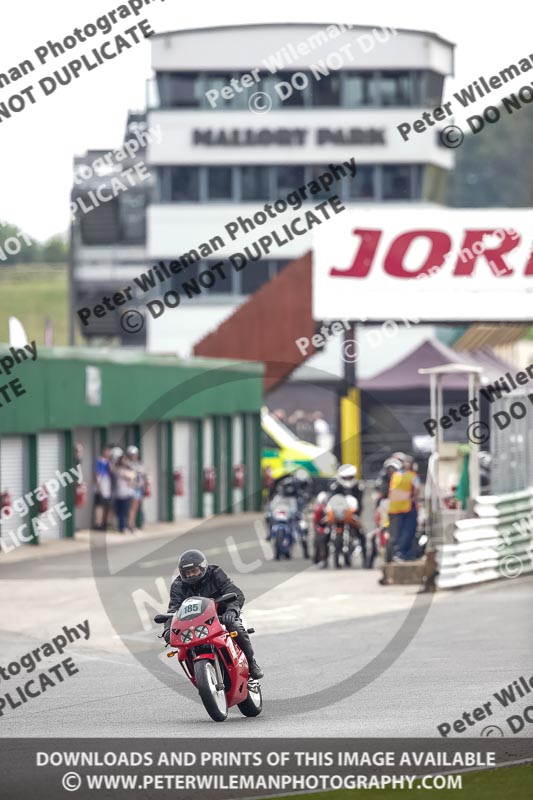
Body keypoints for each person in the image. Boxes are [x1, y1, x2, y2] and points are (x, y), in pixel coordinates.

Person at [163, 550, 264, 679]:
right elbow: (173, 610)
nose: (191, 575)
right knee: (183, 646)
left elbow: (235, 592)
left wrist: (231, 610)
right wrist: (168, 629)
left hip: (221, 615)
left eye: (194, 571)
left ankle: (251, 663)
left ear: (203, 568)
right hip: (194, 623)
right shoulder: (178, 585)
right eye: (187, 573)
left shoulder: (215, 573)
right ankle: (197, 674)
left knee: (235, 626)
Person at [387, 454, 420, 561]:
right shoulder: (413, 476)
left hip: (394, 509)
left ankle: (396, 552)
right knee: (409, 531)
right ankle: (402, 552)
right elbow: (417, 491)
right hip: (407, 508)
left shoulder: (395, 475)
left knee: (397, 532)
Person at [112, 454, 136, 533]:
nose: (125, 462)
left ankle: (126, 526)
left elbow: (133, 477)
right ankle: (121, 527)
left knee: (126, 511)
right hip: (120, 493)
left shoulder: (129, 469)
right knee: (120, 511)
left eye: (126, 460)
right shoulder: (118, 469)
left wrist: (131, 477)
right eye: (123, 460)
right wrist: (129, 476)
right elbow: (128, 476)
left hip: (128, 493)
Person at [126, 445, 147, 533]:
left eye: (135, 454)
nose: (134, 456)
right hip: (132, 488)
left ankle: (138, 523)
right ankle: (131, 525)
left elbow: (144, 475)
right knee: (132, 508)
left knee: (138, 507)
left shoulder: (140, 463)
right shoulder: (127, 464)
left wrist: (144, 486)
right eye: (132, 455)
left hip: (139, 487)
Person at [93, 446, 112, 531]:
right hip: (101, 487)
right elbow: (98, 474)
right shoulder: (100, 461)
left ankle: (104, 523)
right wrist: (99, 486)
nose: (108, 453)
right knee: (99, 506)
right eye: (107, 451)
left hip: (107, 487)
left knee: (105, 506)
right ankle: (98, 524)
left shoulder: (108, 462)